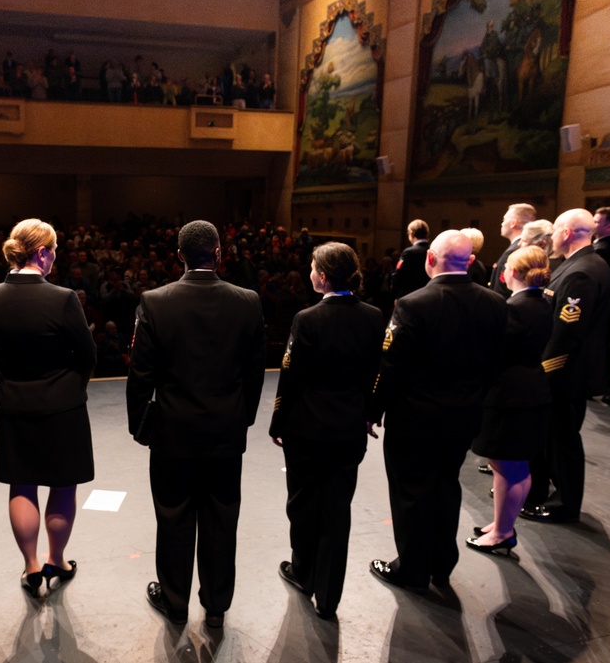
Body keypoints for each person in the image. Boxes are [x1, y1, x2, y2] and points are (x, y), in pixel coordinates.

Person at [127, 220, 266, 629]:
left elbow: (141, 375)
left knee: (173, 517)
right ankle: (217, 604)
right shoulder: (248, 301)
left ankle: (174, 600)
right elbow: (254, 372)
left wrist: (141, 427)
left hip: (172, 433)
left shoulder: (155, 301)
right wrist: (244, 419)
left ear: (180, 256)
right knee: (223, 518)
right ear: (220, 253)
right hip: (226, 431)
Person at [368, 230, 506, 592]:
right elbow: (496, 364)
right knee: (447, 486)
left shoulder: (413, 304)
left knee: (411, 493)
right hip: (464, 417)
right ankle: (442, 565)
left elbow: (391, 366)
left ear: (430, 260)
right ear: (472, 263)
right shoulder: (495, 303)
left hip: (415, 420)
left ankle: (411, 570)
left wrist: (373, 410)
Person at [0, 219, 96, 598]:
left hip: (13, 401)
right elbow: (88, 354)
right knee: (62, 486)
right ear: (42, 253)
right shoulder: (62, 298)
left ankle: (30, 567)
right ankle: (56, 559)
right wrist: (73, 388)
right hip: (62, 405)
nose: (56, 258)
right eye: (55, 250)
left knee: (22, 483)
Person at [270, 242, 384, 619]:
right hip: (350, 427)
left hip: (307, 427)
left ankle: (303, 572)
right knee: (338, 509)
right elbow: (376, 374)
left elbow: (291, 376)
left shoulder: (308, 318)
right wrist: (370, 414)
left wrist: (278, 421)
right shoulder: (372, 316)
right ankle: (329, 595)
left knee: (303, 503)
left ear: (321, 276)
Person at [521, 209, 610, 523]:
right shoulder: (580, 265)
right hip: (569, 372)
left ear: (569, 232)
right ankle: (555, 495)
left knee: (563, 441)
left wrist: (542, 372)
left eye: (556, 229)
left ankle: (565, 505)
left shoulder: (581, 272)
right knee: (556, 438)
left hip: (566, 373)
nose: (551, 237)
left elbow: (566, 334)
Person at [467, 246, 552, 554]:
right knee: (515, 466)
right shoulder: (542, 302)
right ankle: (502, 523)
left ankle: (502, 532)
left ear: (510, 273)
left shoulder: (514, 307)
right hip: (530, 389)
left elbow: (496, 351)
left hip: (510, 394)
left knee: (506, 466)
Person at [592, 206, 610, 407]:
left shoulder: (607, 248)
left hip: (602, 302)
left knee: (603, 344)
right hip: (598, 300)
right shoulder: (598, 245)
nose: (592, 224)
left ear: (609, 225)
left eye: (596, 221)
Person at [490, 203, 536, 298]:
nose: (502, 223)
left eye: (504, 219)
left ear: (513, 223)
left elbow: (503, 289)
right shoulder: (524, 248)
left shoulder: (515, 251)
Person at [390, 219, 430, 299]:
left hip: (409, 295)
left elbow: (398, 275)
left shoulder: (409, 252)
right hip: (429, 295)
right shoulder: (433, 250)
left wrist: (395, 294)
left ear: (411, 234)